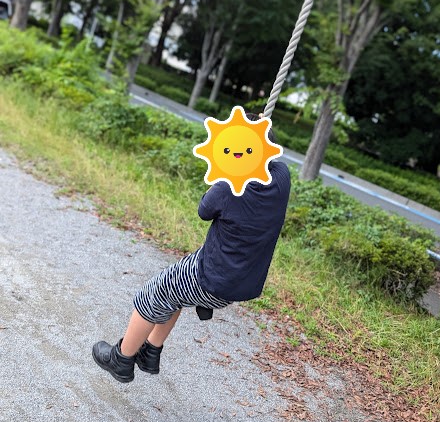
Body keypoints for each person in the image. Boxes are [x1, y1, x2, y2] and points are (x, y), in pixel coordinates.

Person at [92, 114, 291, 383]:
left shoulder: (228, 188)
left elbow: (204, 210)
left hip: (212, 276)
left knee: (152, 293)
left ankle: (121, 359)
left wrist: (226, 172)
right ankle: (150, 352)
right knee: (173, 289)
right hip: (241, 280)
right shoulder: (282, 177)